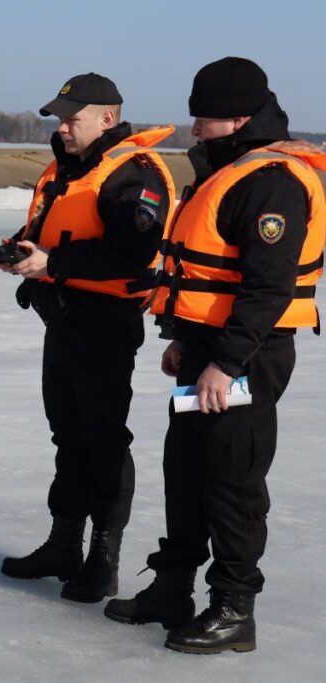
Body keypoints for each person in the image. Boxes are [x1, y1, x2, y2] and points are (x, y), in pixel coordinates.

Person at [104, 57, 325, 654]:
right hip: (207, 346)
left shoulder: (273, 181)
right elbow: (206, 273)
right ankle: (172, 588)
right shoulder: (225, 170)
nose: (195, 126)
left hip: (249, 354)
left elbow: (267, 288)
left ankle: (233, 609)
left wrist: (225, 365)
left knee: (232, 481)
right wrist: (184, 339)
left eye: (204, 117)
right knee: (185, 470)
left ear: (240, 118)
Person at [0, 73, 175, 603]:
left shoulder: (134, 173)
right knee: (68, 435)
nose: (63, 128)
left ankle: (103, 557)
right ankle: (63, 544)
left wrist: (53, 263)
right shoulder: (70, 167)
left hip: (106, 323)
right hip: (63, 318)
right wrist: (21, 249)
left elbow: (132, 253)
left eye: (72, 119)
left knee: (103, 438)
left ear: (107, 118)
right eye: (59, 119)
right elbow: (56, 228)